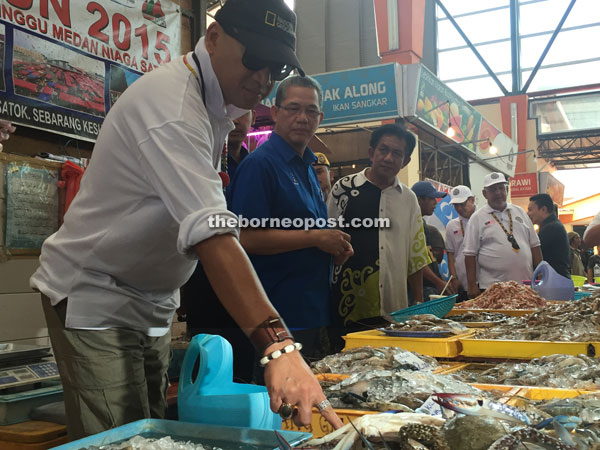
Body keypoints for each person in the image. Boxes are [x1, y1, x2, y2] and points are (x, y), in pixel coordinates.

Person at [30, 0, 342, 439]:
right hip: (96, 292)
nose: (264, 79)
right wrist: (279, 348)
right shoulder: (173, 106)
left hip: (153, 297)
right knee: (119, 439)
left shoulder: (215, 106)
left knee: (153, 431)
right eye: (255, 59)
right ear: (213, 38)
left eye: (276, 68)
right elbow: (214, 233)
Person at [228, 75, 353, 360]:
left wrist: (332, 250)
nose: (302, 118)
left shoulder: (308, 167)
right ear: (275, 112)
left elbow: (304, 235)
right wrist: (317, 237)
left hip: (312, 309)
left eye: (310, 111)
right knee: (280, 401)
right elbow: (244, 238)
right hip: (275, 315)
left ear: (320, 117)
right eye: (293, 108)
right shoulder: (260, 165)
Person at [327, 124, 429, 350]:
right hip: (348, 306)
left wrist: (419, 302)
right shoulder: (343, 189)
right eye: (383, 150)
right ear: (371, 152)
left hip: (395, 310)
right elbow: (327, 238)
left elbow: (416, 253)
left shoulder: (409, 200)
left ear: (406, 161)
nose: (388, 158)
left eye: (397, 153)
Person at [180, 111, 256, 384]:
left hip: (248, 277)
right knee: (208, 367)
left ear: (253, 117)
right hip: (203, 278)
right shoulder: (202, 159)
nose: (235, 122)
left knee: (245, 367)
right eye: (229, 114)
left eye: (242, 115)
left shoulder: (254, 165)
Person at [463, 172, 542, 298]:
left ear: (507, 189)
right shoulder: (477, 218)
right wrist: (471, 285)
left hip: (525, 286)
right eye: (493, 190)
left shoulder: (520, 212)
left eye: (501, 188)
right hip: (492, 289)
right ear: (485, 194)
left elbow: (535, 245)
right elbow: (469, 254)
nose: (498, 193)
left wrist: (541, 276)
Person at [412, 181, 457, 300]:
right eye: (432, 198)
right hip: (417, 289)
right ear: (419, 200)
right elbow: (416, 260)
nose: (435, 203)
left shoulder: (422, 223)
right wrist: (437, 281)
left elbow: (428, 256)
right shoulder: (410, 223)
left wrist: (439, 280)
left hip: (430, 287)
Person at [527, 193, 571, 278]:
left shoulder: (551, 228)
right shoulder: (552, 225)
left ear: (543, 209)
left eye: (530, 210)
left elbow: (534, 253)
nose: (528, 214)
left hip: (555, 282)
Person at [445, 185, 476, 301]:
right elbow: (451, 254)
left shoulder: (483, 219)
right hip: (463, 284)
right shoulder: (451, 226)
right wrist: (454, 278)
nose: (459, 208)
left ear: (472, 200)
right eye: (456, 205)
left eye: (462, 204)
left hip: (484, 282)